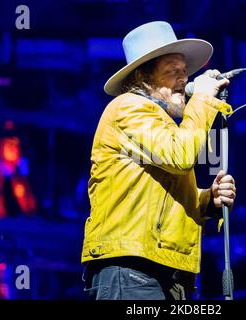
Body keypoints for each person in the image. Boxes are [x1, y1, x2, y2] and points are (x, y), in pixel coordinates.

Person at [82, 21, 236, 300]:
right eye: (172, 72)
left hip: (166, 269)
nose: (184, 81)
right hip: (131, 269)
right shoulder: (128, 107)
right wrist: (202, 99)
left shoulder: (164, 126)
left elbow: (164, 195)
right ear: (143, 78)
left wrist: (206, 200)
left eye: (185, 72)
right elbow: (181, 157)